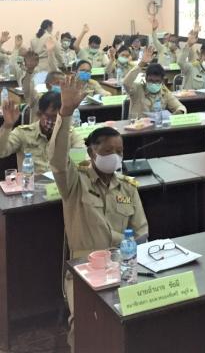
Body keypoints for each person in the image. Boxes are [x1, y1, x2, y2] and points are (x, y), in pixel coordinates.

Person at [48, 75, 148, 351]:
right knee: (84, 325)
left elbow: (142, 232)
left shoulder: (128, 188)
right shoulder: (74, 183)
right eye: (107, 151)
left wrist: (125, 255)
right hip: (83, 270)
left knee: (138, 322)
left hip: (123, 267)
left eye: (119, 151)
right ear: (91, 154)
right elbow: (56, 161)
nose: (115, 157)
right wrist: (65, 113)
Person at [0, 92, 84, 174]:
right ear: (39, 114)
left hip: (60, 185)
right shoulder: (23, 133)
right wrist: (7, 126)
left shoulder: (70, 134)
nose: (55, 121)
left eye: (58, 117)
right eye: (50, 116)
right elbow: (1, 152)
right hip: (31, 184)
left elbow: (83, 161)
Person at [123, 46, 187, 119]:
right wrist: (141, 64)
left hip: (158, 128)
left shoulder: (164, 91)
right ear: (146, 79)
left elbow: (180, 106)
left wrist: (179, 112)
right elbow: (126, 83)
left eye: (157, 81)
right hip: (139, 128)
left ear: (162, 81)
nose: (153, 84)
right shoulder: (138, 89)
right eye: (151, 81)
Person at [22, 50, 66, 122]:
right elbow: (27, 90)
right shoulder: (38, 99)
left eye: (63, 84)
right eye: (57, 83)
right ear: (48, 85)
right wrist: (29, 71)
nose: (61, 86)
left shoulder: (66, 101)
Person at [178, 26, 205, 90]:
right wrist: (189, 44)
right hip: (191, 99)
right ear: (200, 55)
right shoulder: (191, 67)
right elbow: (180, 62)